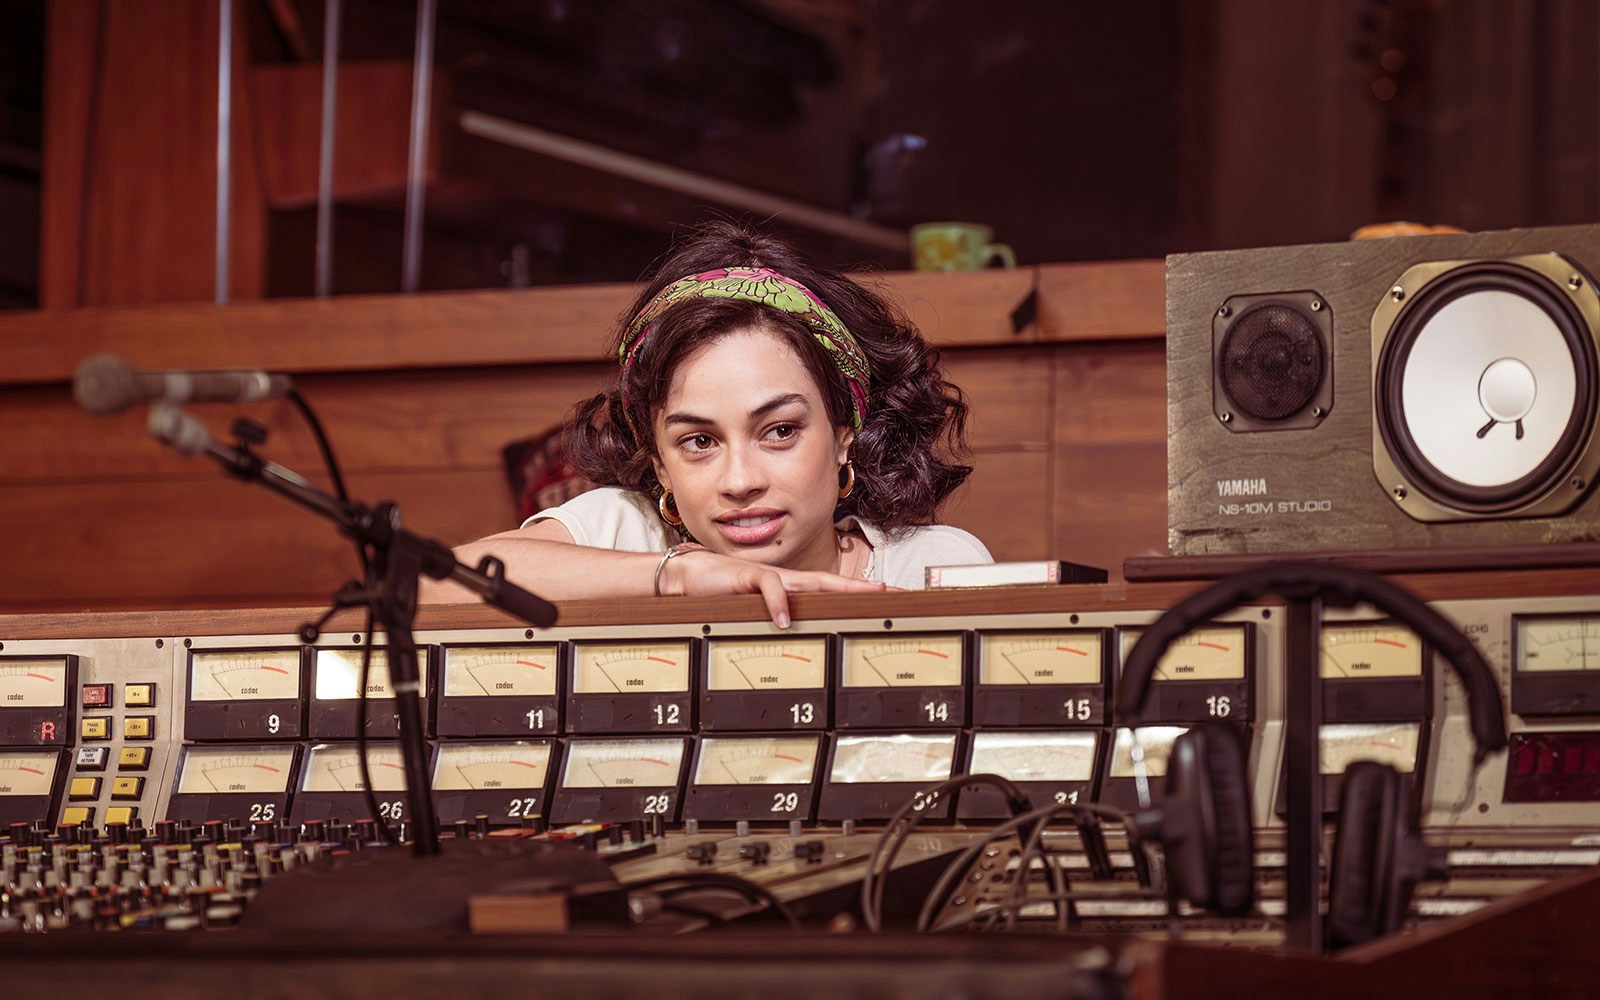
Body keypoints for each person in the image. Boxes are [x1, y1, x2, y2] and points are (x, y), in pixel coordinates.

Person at [428, 221, 991, 626]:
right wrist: (676, 576)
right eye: (698, 441)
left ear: (845, 434)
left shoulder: (930, 565)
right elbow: (423, 585)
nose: (740, 480)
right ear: (660, 465)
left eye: (780, 431)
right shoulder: (627, 534)